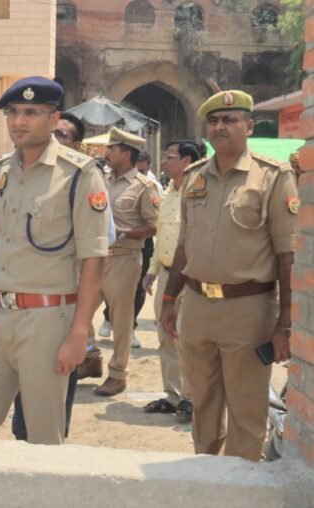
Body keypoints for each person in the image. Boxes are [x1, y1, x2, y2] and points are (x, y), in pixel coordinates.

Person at [0, 76, 110, 445]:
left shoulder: (79, 175)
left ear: (54, 118)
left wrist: (79, 333)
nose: (19, 121)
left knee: (43, 434)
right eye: (13, 112)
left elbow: (94, 259)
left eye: (31, 112)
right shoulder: (3, 171)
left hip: (48, 318)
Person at [160, 90, 298, 461]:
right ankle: (206, 476)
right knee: (202, 404)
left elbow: (286, 256)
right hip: (197, 307)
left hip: (248, 310)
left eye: (230, 120)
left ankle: (242, 484)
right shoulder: (193, 177)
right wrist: (170, 298)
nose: (220, 127)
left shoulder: (272, 177)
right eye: (213, 121)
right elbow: (184, 247)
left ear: (249, 127)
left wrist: (284, 324)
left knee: (246, 409)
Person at [9, 110, 114, 442]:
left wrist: (80, 325)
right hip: (19, 307)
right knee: (22, 397)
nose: (54, 140)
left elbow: (98, 253)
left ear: (76, 145)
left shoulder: (84, 182)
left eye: (62, 135)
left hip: (60, 307)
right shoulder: (20, 177)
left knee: (51, 402)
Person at [91, 127, 159, 397]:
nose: (107, 152)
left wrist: (123, 232)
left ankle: (118, 374)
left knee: (120, 321)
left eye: (112, 148)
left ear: (126, 153)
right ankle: (89, 357)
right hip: (95, 257)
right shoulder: (101, 179)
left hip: (123, 258)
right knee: (75, 310)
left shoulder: (144, 186)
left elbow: (153, 226)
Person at [141, 140, 201, 423]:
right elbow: (162, 235)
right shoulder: (168, 192)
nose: (164, 162)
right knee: (165, 337)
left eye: (170, 157)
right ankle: (172, 395)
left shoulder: (199, 192)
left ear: (187, 161)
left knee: (185, 338)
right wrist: (152, 269)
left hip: (189, 276)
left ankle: (191, 397)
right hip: (166, 272)